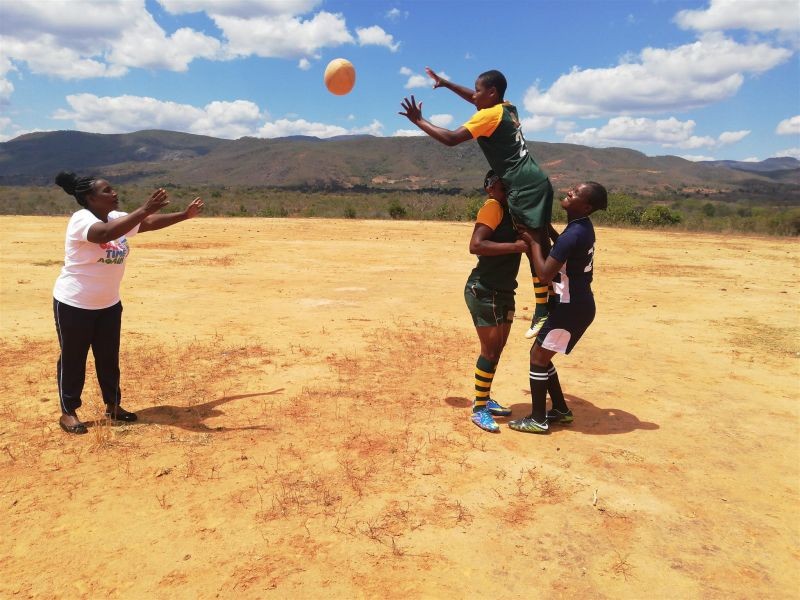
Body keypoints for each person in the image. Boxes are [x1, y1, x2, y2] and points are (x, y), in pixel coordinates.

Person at [399, 67, 553, 337]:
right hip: (535, 180)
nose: (474, 95)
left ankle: (544, 308)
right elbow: (474, 97)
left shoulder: (488, 115)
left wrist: (419, 121)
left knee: (534, 247)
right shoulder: (507, 108)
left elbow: (450, 139)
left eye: (479, 90)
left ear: (491, 93)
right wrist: (446, 84)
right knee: (540, 240)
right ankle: (551, 296)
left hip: (523, 186)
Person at [52, 171, 204, 434]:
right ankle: (69, 412)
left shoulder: (116, 217)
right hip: (75, 303)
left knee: (108, 357)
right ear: (90, 198)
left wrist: (184, 216)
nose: (114, 193)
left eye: (113, 189)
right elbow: (103, 235)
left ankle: (113, 406)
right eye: (107, 191)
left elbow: (149, 223)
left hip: (109, 303)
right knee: (73, 357)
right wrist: (144, 209)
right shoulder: (81, 219)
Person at [509, 182, 608, 433]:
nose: (569, 192)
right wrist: (547, 229)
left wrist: (531, 242)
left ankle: (538, 419)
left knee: (538, 357)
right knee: (541, 354)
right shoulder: (580, 227)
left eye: (575, 193)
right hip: (576, 304)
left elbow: (543, 274)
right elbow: (563, 244)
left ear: (585, 206)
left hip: (570, 308)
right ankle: (561, 410)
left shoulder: (574, 233)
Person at [465, 170, 528, 432]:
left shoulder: (511, 211)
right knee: (490, 350)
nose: (507, 193)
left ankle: (485, 398)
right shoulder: (492, 207)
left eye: (511, 188)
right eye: (503, 188)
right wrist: (516, 247)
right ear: (490, 188)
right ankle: (479, 408)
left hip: (503, 290)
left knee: (497, 349)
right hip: (485, 289)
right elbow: (476, 245)